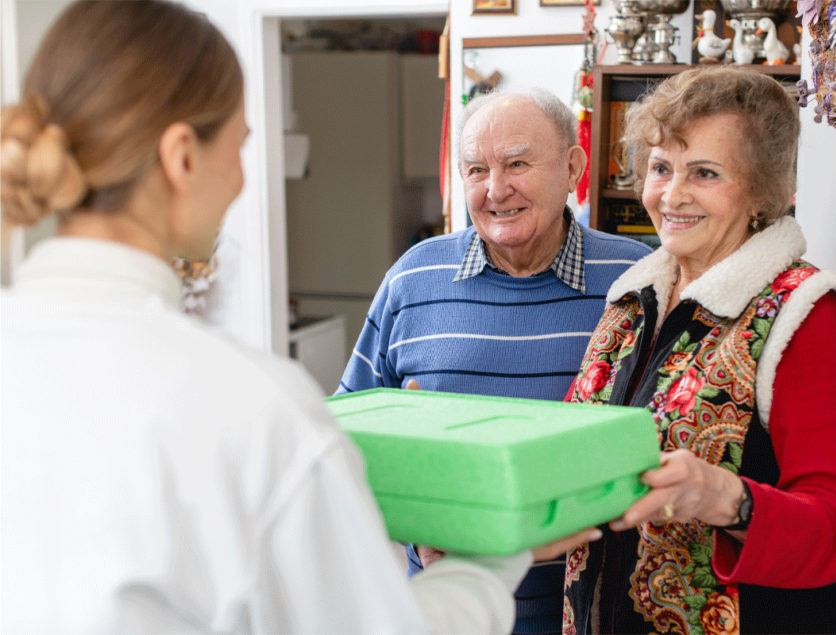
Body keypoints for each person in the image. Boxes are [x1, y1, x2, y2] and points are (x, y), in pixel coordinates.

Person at [0, 2, 598, 633]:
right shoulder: (248, 404)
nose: (239, 180)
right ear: (182, 157)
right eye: (240, 147)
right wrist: (491, 555)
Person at [561, 67, 836, 635]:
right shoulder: (631, 302)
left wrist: (722, 496)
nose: (672, 194)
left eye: (704, 173)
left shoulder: (803, 312)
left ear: (761, 189)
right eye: (660, 168)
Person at [335, 88, 652, 633]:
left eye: (518, 164)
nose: (495, 189)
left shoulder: (636, 279)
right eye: (476, 169)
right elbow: (344, 442)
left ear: (572, 167)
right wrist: (416, 519)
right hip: (445, 611)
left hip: (596, 615)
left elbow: (665, 435)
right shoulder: (413, 279)